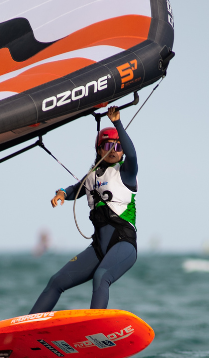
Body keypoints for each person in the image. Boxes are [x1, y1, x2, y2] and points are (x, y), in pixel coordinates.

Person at [29, 106, 137, 314]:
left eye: (118, 146)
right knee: (56, 281)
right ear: (99, 149)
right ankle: (26, 327)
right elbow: (74, 190)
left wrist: (117, 123)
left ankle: (94, 327)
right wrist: (61, 193)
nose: (114, 150)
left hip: (123, 243)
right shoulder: (92, 176)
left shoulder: (127, 173)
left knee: (102, 276)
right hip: (98, 247)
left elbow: (132, 154)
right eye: (107, 145)